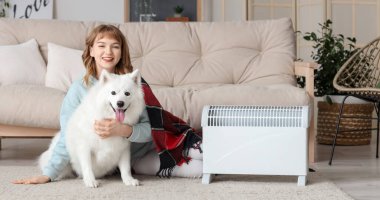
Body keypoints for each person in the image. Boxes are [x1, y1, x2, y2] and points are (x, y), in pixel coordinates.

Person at [12, 24, 202, 185]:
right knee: (200, 169)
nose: (108, 52)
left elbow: (151, 127)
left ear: (122, 52)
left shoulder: (133, 82)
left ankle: (195, 148)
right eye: (101, 45)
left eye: (115, 46)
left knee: (204, 151)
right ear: (91, 51)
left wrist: (124, 130)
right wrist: (49, 173)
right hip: (136, 161)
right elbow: (69, 135)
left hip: (150, 146)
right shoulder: (79, 89)